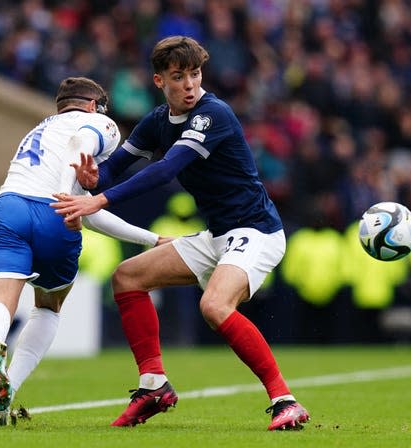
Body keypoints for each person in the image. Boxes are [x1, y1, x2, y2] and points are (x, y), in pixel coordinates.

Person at [51, 36, 310, 430]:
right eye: (179, 77)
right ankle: (153, 385)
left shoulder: (212, 114)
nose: (190, 84)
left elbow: (165, 170)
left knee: (214, 306)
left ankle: (285, 400)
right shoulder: (157, 122)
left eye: (195, 74)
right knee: (127, 278)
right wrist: (92, 180)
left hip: (256, 230)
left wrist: (99, 199)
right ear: (159, 81)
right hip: (218, 235)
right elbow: (114, 168)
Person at [0, 77, 170, 425]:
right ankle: (8, 391)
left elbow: (87, 209)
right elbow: (81, 148)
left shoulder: (37, 131)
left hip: (10, 208)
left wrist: (149, 240)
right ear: (94, 105)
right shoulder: (100, 123)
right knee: (48, 307)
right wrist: (65, 193)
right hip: (54, 215)